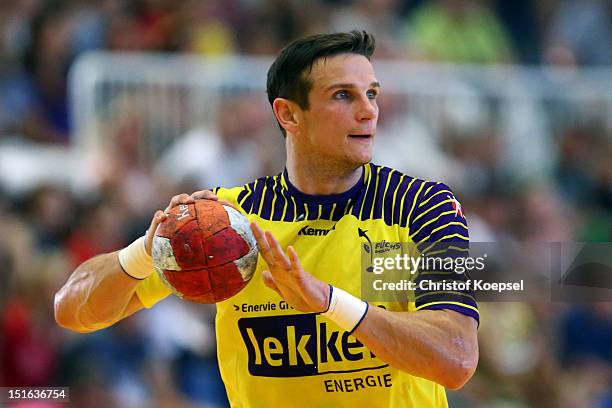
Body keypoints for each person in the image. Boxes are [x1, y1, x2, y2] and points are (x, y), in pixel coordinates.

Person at [54, 31, 478, 407]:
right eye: (343, 95)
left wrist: (329, 303)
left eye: (372, 94)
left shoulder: (421, 206)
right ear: (288, 114)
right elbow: (72, 310)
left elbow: (456, 359)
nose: (368, 111)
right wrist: (147, 252)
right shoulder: (226, 222)